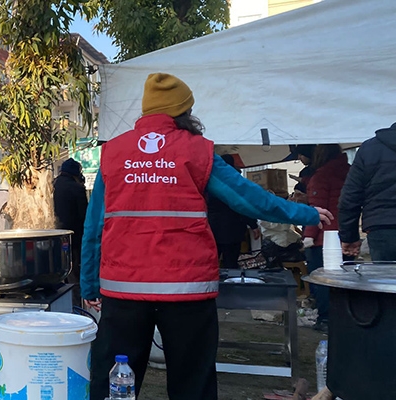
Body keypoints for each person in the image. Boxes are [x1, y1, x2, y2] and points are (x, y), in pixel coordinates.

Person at [81, 73, 333, 400]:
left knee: (113, 383)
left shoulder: (113, 154)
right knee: (192, 382)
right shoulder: (196, 151)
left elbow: (93, 227)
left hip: (124, 290)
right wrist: (306, 213)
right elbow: (248, 198)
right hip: (186, 291)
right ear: (184, 112)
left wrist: (89, 284)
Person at [303, 144, 351, 332]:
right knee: (346, 281)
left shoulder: (322, 176)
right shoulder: (350, 171)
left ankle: (325, 319)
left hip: (324, 238)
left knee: (323, 281)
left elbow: (318, 211)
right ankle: (346, 318)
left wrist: (308, 236)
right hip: (347, 235)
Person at [339, 122, 396, 262]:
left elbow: (350, 197)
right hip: (381, 225)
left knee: (386, 281)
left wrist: (349, 237)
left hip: (381, 227)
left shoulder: (369, 149)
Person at [207, 155, 260, 269]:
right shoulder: (236, 182)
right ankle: (230, 284)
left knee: (211, 263)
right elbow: (243, 206)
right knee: (230, 263)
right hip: (233, 228)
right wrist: (253, 225)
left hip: (212, 228)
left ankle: (213, 285)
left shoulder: (209, 181)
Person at [53, 158, 88, 305]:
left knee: (64, 272)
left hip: (59, 236)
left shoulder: (56, 185)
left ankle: (67, 304)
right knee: (75, 274)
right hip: (76, 237)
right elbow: (85, 215)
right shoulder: (76, 188)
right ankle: (78, 306)